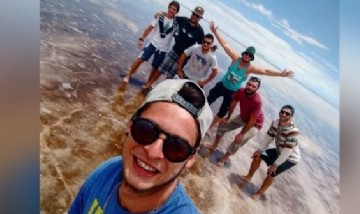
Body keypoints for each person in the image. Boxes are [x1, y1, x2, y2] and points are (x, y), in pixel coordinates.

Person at [69, 79, 213, 213]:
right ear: (129, 125)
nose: (153, 152)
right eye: (145, 130)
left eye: (176, 147)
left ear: (191, 158)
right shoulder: (108, 171)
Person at [206, 21, 294, 130]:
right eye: (246, 54)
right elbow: (225, 45)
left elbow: (265, 71)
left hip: (232, 92)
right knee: (208, 100)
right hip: (222, 85)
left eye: (250, 56)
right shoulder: (235, 59)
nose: (247, 56)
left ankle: (209, 128)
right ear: (244, 54)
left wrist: (281, 74)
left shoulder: (249, 69)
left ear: (251, 58)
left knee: (222, 112)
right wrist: (215, 32)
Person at [241, 105, 300, 200]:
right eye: (282, 112)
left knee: (272, 172)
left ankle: (259, 192)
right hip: (279, 151)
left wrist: (275, 165)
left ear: (291, 116)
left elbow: (287, 151)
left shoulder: (293, 131)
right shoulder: (276, 123)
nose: (283, 114)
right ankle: (249, 176)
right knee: (257, 156)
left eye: (287, 113)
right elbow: (268, 138)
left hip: (290, 158)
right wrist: (260, 150)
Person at [204, 77, 264, 167]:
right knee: (222, 125)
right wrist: (227, 118)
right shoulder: (241, 91)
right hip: (243, 117)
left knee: (238, 140)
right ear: (246, 84)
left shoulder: (257, 101)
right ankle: (214, 146)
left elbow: (252, 121)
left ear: (257, 89)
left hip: (255, 124)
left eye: (253, 86)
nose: (250, 87)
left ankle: (225, 157)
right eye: (249, 84)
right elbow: (233, 104)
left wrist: (241, 134)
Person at [141, 6, 205, 91]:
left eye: (197, 16)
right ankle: (149, 84)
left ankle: (160, 90)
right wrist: (161, 13)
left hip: (183, 57)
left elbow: (202, 47)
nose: (194, 16)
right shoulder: (183, 20)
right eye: (194, 14)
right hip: (174, 51)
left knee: (170, 76)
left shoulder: (200, 31)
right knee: (160, 69)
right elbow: (171, 16)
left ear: (200, 18)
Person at [122, 1, 180, 83]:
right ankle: (128, 76)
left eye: (174, 9)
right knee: (140, 59)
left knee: (155, 67)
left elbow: (179, 35)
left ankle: (148, 83)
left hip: (163, 49)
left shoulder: (176, 24)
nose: (171, 10)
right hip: (153, 43)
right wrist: (142, 38)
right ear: (168, 8)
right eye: (170, 8)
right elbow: (150, 28)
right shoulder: (160, 17)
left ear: (177, 12)